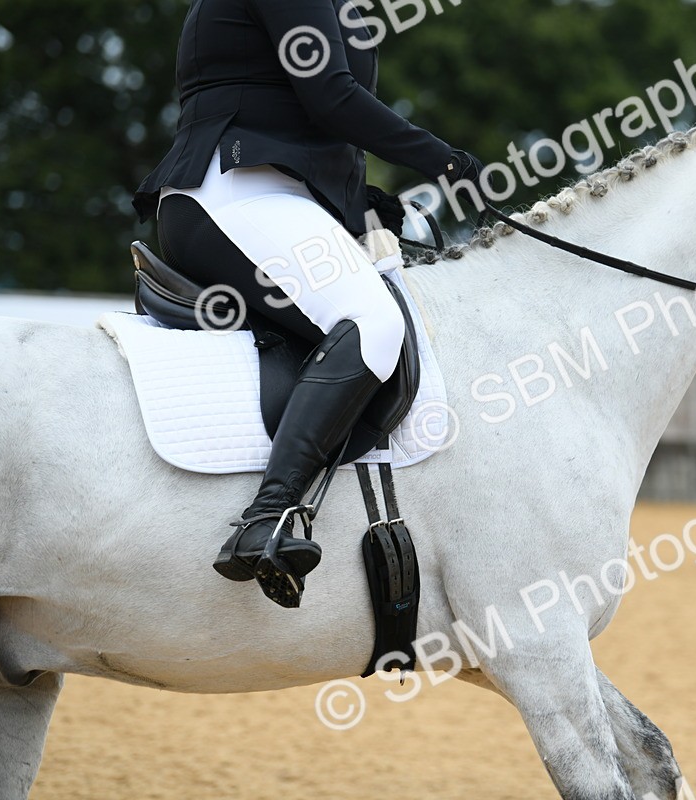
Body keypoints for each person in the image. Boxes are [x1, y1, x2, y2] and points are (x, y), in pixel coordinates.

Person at [132, 0, 484, 609]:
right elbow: (332, 98)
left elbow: (305, 128)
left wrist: (373, 206)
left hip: (270, 196)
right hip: (232, 194)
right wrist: (445, 161)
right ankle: (268, 517)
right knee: (371, 321)